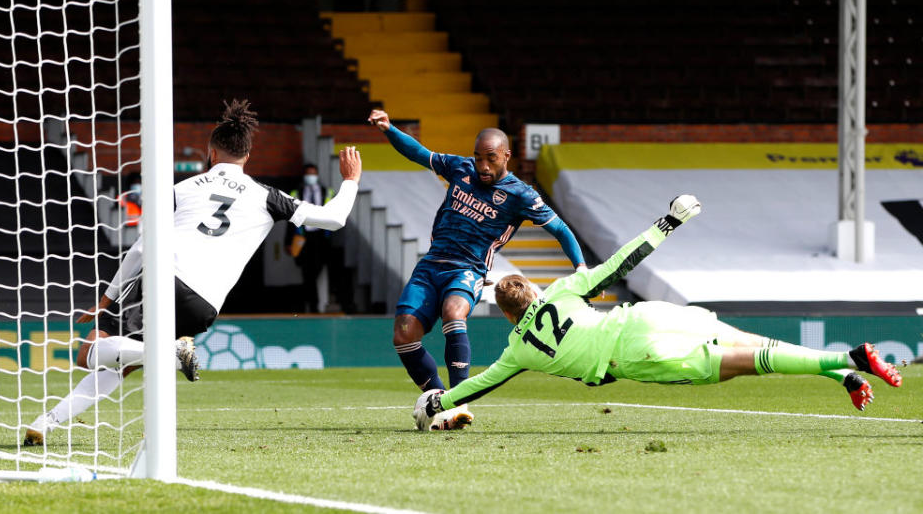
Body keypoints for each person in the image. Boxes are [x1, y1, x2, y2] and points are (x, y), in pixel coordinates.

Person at [24, 99, 363, 446]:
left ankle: (170, 353)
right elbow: (334, 218)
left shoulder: (182, 189)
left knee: (88, 354)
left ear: (211, 153)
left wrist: (107, 298)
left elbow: (141, 248)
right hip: (204, 305)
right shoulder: (268, 197)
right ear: (247, 157)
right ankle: (47, 421)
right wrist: (350, 180)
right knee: (119, 364)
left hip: (162, 280)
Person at [413, 204, 903, 431]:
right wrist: (666, 223)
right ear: (534, 290)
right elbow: (618, 264)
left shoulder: (516, 349)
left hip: (637, 355)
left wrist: (438, 403)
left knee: (749, 362)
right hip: (643, 316)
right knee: (747, 340)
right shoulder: (562, 289)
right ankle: (841, 370)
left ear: (504, 314)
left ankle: (849, 358)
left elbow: (476, 387)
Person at [367, 108, 588, 393]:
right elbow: (419, 153)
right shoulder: (461, 169)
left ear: (506, 156)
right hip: (431, 264)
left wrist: (581, 268)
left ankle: (459, 399)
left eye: (491, 158)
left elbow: (560, 229)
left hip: (468, 269)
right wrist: (388, 128)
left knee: (453, 311)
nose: (483, 165)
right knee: (403, 334)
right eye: (478, 157)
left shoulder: (521, 194)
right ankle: (438, 399)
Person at [287, 163, 336, 313]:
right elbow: (289, 219)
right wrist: (287, 241)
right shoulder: (297, 192)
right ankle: (312, 306)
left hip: (321, 237)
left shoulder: (326, 192)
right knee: (307, 271)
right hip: (303, 236)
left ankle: (312, 304)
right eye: (308, 174)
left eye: (313, 174)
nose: (311, 177)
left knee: (315, 270)